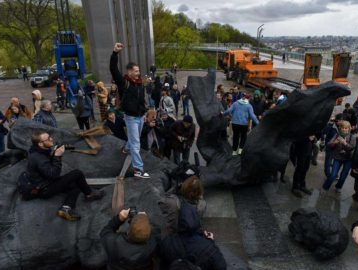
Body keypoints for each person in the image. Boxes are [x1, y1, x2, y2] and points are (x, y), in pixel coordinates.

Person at [25, 131, 106, 220]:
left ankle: (66, 208)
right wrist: (57, 157)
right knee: (77, 173)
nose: (51, 139)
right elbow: (53, 174)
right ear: (40, 144)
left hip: (45, 181)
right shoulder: (38, 158)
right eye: (48, 139)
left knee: (77, 185)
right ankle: (90, 195)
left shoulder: (38, 151)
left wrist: (54, 154)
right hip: (43, 189)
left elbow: (47, 166)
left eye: (50, 136)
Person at [110, 42, 149, 179]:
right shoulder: (123, 82)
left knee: (134, 140)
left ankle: (127, 148)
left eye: (138, 71)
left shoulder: (139, 83)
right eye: (136, 71)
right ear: (129, 72)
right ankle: (138, 169)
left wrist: (144, 113)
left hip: (139, 116)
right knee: (136, 144)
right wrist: (115, 53)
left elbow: (140, 99)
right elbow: (113, 69)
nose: (139, 73)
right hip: (131, 118)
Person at [158, 204, 227, 270]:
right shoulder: (209, 247)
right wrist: (211, 241)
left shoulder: (168, 242)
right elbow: (221, 267)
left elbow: (161, 256)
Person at [321, 121, 356, 194]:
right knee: (333, 174)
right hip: (338, 157)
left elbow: (352, 148)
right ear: (340, 128)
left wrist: (345, 144)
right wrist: (334, 142)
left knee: (344, 174)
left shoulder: (352, 136)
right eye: (342, 128)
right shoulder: (337, 135)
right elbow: (328, 145)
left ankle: (338, 187)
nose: (344, 130)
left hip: (348, 159)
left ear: (349, 129)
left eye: (346, 128)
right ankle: (325, 187)